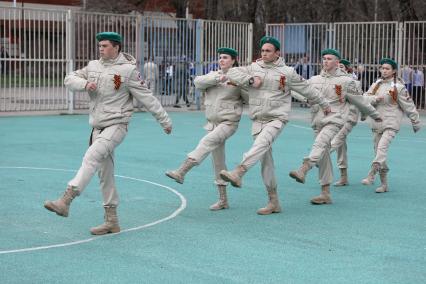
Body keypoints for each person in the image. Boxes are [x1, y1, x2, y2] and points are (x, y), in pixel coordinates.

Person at [44, 32, 172, 235]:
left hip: (117, 126)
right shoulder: (93, 66)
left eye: (104, 46)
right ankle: (111, 221)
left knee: (91, 156)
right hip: (97, 127)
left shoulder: (128, 71)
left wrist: (164, 120)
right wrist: (85, 84)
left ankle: (65, 200)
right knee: (106, 175)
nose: (100, 49)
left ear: (116, 47)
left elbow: (147, 98)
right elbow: (69, 78)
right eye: (99, 46)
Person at [219, 36, 331, 215]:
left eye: (268, 50)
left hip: (276, 118)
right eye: (262, 50)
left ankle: (239, 171)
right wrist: (249, 81)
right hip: (257, 120)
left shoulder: (288, 72)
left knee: (261, 144)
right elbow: (232, 72)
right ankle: (273, 201)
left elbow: (308, 90)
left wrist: (325, 104)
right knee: (266, 161)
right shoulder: (254, 67)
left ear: (277, 53)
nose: (264, 54)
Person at [288, 49, 382, 205]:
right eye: (324, 58)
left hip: (335, 120)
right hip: (317, 120)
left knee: (320, 143)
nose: (325, 61)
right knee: (323, 155)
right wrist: (290, 89)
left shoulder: (346, 81)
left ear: (337, 62)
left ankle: (304, 168)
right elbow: (305, 95)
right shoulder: (314, 79)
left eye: (329, 58)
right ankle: (325, 193)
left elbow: (360, 101)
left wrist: (374, 114)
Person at [165, 47, 245, 210]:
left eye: (226, 57)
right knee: (218, 163)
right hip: (212, 123)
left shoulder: (241, 77)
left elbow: (250, 95)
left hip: (228, 123)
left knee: (207, 141)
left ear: (234, 60)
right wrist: (218, 78)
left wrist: (238, 82)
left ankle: (182, 170)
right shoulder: (212, 75)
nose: (221, 60)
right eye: (220, 57)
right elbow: (198, 82)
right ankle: (223, 200)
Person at [361, 58, 420, 193]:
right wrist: (375, 99)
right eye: (382, 68)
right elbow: (364, 99)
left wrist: (415, 121)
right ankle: (384, 184)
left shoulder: (398, 87)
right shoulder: (376, 85)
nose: (384, 70)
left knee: (382, 148)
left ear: (393, 71)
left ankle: (371, 174)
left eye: (387, 68)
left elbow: (408, 105)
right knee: (378, 152)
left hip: (391, 122)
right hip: (377, 122)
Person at [330, 59, 363, 186]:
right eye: (338, 65)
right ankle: (344, 176)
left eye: (342, 66)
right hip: (337, 116)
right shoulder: (334, 80)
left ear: (347, 68)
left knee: (338, 139)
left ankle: (321, 156)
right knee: (341, 146)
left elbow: (360, 100)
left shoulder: (353, 82)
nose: (339, 68)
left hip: (349, 116)